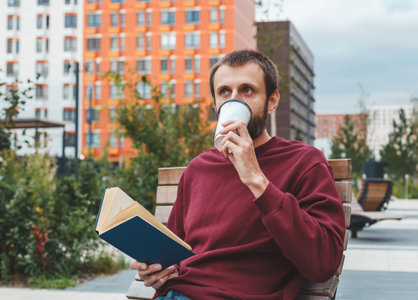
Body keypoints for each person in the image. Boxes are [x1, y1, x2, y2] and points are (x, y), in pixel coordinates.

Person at [130, 50, 346, 300]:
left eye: (247, 90)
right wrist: (159, 272)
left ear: (272, 101)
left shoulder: (304, 162)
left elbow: (323, 262)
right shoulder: (198, 168)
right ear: (215, 104)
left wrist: (257, 179)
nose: (235, 100)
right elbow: (176, 258)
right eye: (224, 92)